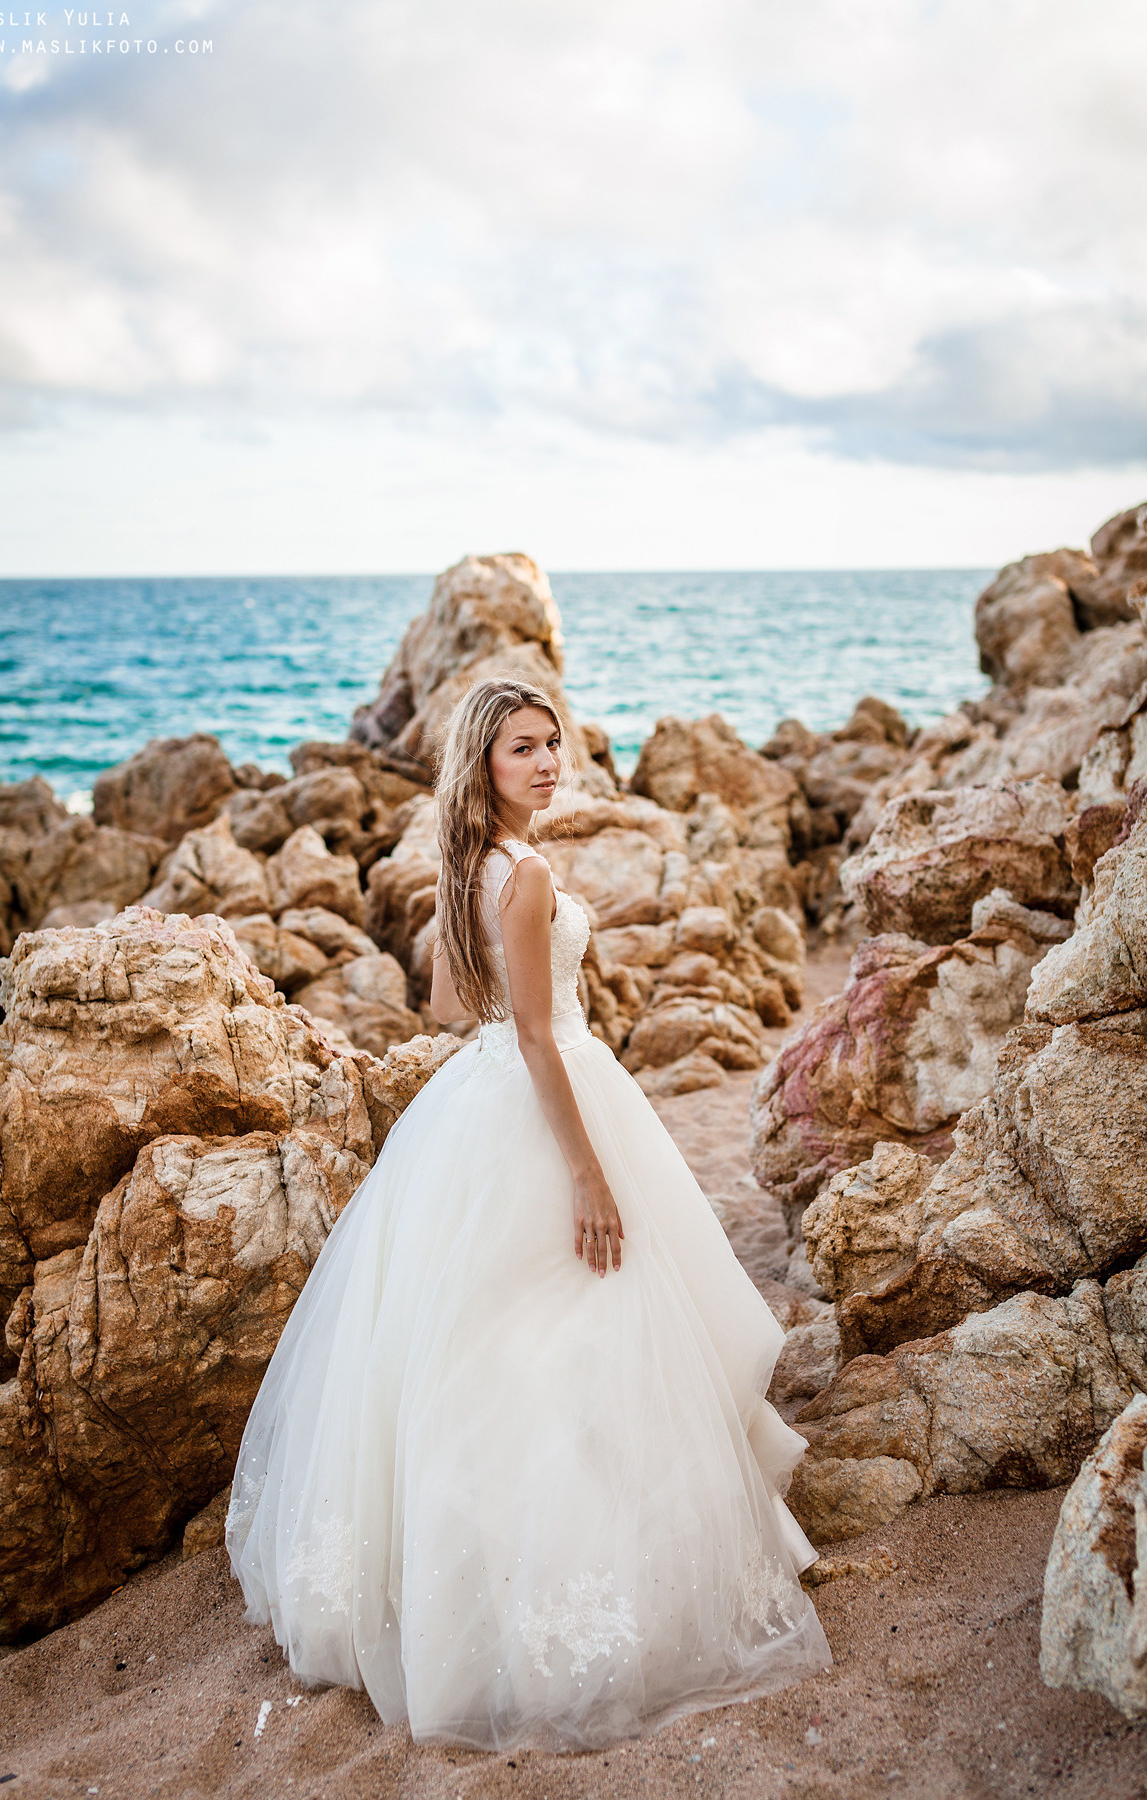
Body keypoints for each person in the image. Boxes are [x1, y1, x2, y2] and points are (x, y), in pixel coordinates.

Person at [225, 676, 831, 1752]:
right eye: (522, 749)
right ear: (485, 765)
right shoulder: (530, 868)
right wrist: (591, 1176)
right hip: (545, 1096)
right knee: (582, 1319)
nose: (549, 762)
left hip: (478, 1097)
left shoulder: (474, 867)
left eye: (554, 742)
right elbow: (543, 1038)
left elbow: (461, 1011)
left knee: (494, 1338)